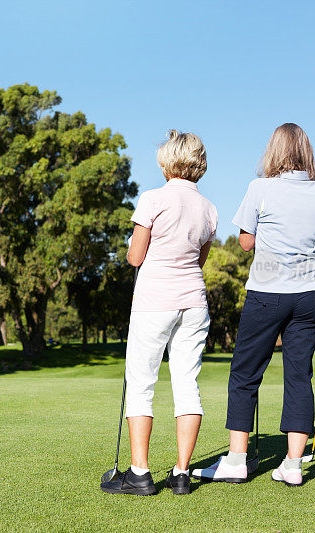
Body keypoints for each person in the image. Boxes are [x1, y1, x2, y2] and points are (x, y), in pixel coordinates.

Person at [205, 123, 315, 487]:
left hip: (267, 291)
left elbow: (246, 243)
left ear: (274, 151)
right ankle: (293, 467)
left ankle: (236, 461)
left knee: (245, 374)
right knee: (299, 377)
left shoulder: (259, 188)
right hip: (309, 294)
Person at [100, 130, 218, 496]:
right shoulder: (209, 208)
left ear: (167, 161)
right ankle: (181, 474)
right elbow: (199, 260)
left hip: (154, 302)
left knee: (141, 383)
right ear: (198, 163)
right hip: (194, 303)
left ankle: (139, 473)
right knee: (187, 385)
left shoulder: (152, 199)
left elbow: (136, 257)